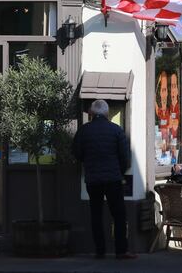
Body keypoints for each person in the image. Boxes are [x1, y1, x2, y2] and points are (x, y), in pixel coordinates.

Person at [72, 100, 136, 260]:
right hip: (113, 179)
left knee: (96, 214)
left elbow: (77, 153)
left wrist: (89, 163)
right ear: (107, 114)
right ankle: (121, 250)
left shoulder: (84, 131)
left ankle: (100, 251)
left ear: (91, 114)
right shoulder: (116, 130)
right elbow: (125, 157)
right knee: (119, 215)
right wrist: (119, 172)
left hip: (93, 179)